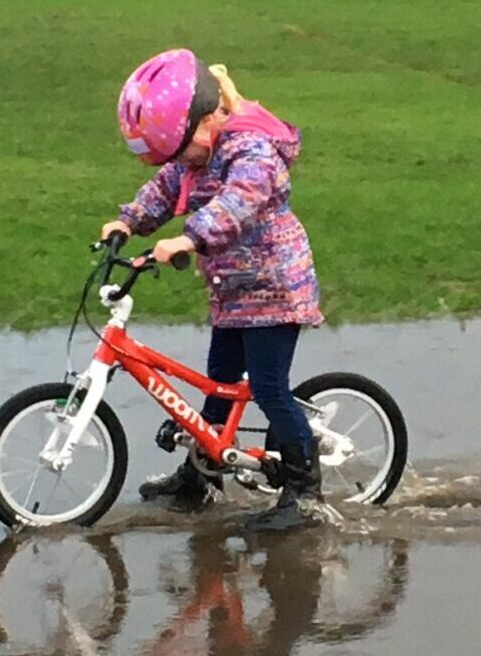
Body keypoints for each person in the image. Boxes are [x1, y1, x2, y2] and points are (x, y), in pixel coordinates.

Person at [101, 48, 326, 525]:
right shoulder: (194, 154)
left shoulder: (251, 152)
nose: (181, 163)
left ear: (205, 123)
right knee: (219, 385)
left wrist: (187, 237)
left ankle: (306, 493)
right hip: (232, 291)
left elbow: (236, 206)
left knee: (268, 387)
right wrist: (127, 222)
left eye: (181, 152)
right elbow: (165, 189)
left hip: (274, 289)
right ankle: (201, 476)